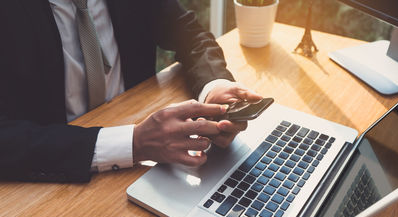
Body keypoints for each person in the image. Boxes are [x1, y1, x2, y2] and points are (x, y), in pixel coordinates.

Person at [0, 0, 262, 183]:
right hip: (50, 177)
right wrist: (132, 143)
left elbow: (190, 34)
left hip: (148, 170)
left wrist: (214, 86)